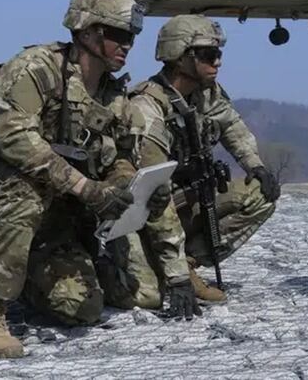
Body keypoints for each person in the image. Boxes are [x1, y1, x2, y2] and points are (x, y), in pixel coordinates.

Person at [0, 0, 186, 359]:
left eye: (131, 36)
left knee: (81, 306)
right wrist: (87, 189)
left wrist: (127, 187)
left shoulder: (113, 96)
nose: (127, 45)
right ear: (86, 31)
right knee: (24, 187)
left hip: (58, 208)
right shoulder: (36, 68)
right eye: (117, 34)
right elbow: (14, 140)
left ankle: (22, 269)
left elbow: (118, 157)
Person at [103, 15, 279, 306]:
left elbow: (230, 124)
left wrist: (254, 165)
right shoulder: (148, 108)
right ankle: (114, 268)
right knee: (147, 296)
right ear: (179, 56)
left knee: (259, 194)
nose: (217, 62)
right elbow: (154, 193)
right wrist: (177, 279)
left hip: (184, 200)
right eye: (209, 55)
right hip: (143, 213)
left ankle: (187, 261)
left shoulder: (204, 94)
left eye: (218, 54)